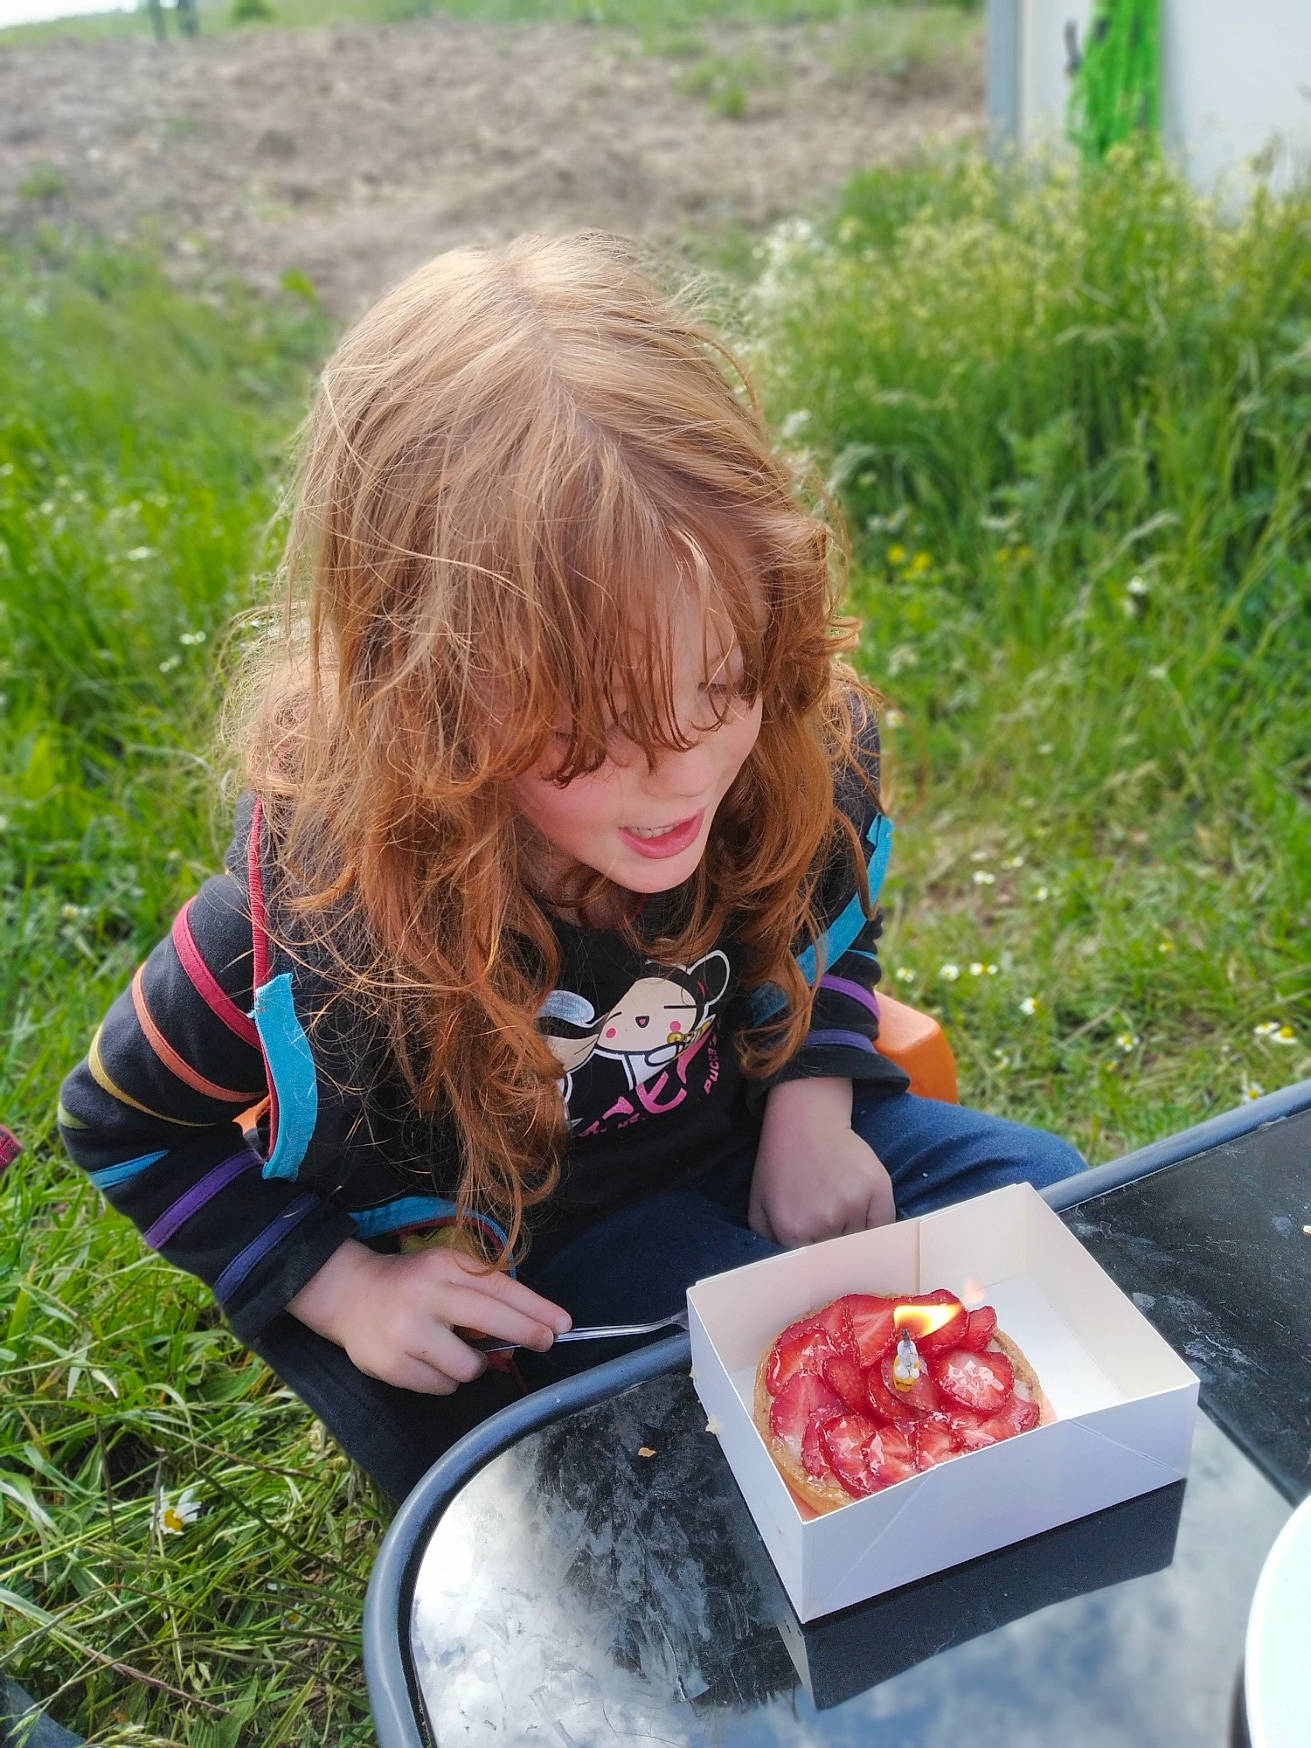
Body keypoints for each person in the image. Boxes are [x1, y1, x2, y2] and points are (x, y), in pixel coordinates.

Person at [58, 234, 1082, 1503]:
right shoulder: (323, 924)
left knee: (1077, 1231)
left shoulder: (792, 751)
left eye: (724, 682)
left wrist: (818, 1094)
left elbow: (831, 920)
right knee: (708, 1450)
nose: (683, 770)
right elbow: (118, 1121)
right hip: (534, 1266)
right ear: (421, 692)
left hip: (767, 1136)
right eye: (591, 734)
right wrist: (345, 1287)